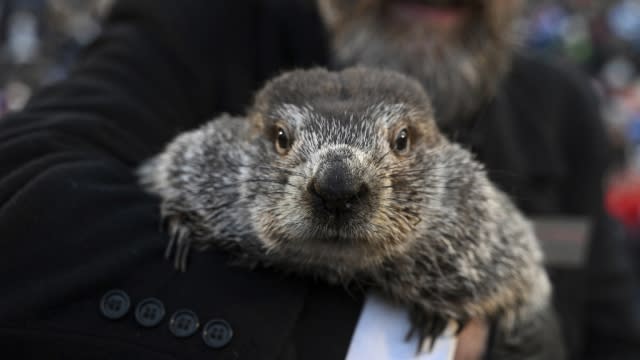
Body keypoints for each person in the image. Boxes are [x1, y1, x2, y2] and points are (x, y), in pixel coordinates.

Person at [0, 0, 637, 359]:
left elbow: (601, 326)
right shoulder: (196, 31)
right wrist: (381, 341)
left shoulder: (562, 109)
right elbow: (23, 193)